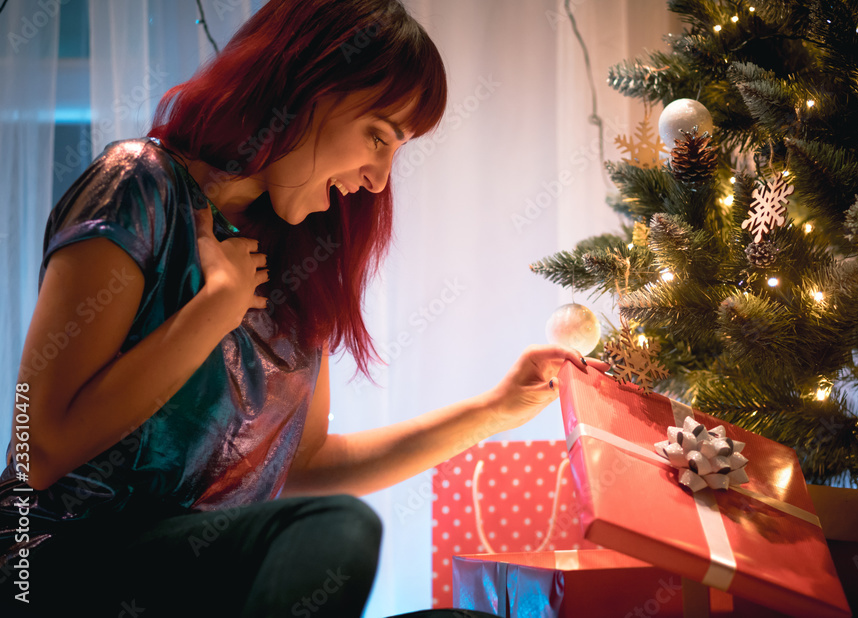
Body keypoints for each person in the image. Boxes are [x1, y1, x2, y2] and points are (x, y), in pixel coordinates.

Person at [0, 1, 605, 616]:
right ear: (307, 85)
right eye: (378, 136)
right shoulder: (138, 184)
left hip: (197, 580)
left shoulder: (297, 257)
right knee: (337, 530)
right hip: (53, 564)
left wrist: (496, 409)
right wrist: (213, 311)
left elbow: (307, 461)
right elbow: (36, 448)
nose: (377, 179)